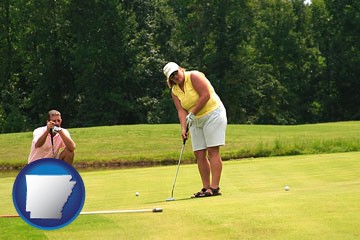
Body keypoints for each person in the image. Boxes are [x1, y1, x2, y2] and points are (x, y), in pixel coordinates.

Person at [163, 62, 227, 197]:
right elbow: (181, 110)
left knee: (213, 151)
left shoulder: (194, 76)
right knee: (199, 153)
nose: (175, 77)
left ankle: (214, 188)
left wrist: (192, 113)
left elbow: (205, 95)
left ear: (181, 69)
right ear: (169, 79)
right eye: (171, 76)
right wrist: (183, 128)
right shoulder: (174, 91)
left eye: (176, 73)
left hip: (213, 114)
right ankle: (206, 187)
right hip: (195, 120)